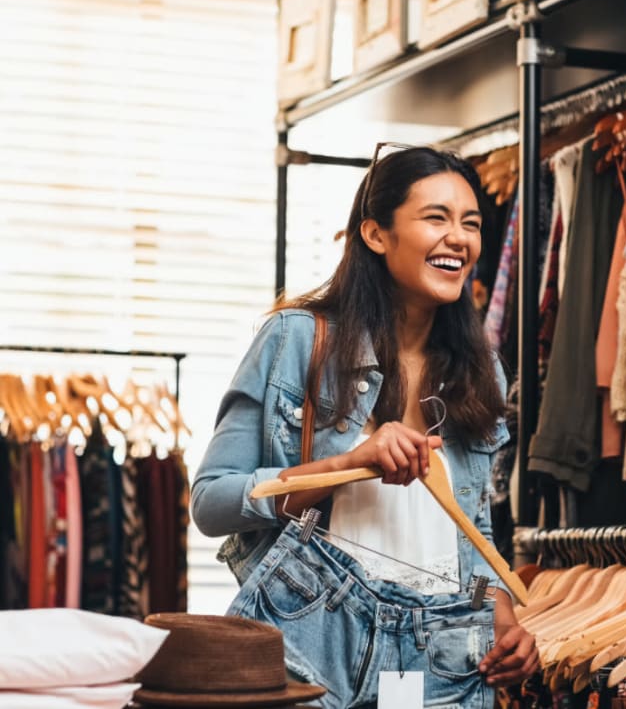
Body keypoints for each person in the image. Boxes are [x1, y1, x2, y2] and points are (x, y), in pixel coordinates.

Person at [191, 145, 539, 708]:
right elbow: (211, 502)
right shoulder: (296, 341)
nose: (459, 238)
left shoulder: (481, 371)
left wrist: (504, 623)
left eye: (471, 224)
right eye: (436, 218)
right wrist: (348, 465)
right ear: (376, 234)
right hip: (310, 639)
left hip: (442, 654)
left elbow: (473, 532)